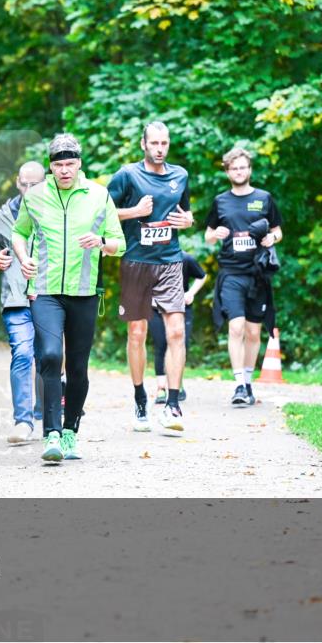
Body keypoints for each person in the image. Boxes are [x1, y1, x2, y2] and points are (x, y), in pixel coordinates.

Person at [12, 134, 125, 463]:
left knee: (77, 367)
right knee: (49, 355)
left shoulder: (99, 195)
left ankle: (71, 430)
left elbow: (120, 243)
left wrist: (101, 241)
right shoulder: (34, 197)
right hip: (45, 291)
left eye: (70, 164)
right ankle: (52, 433)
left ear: (79, 164)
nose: (64, 170)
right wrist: (23, 257)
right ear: (51, 166)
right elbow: (19, 233)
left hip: (84, 292)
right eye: (58, 165)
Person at [107, 121, 194, 434]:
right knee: (137, 334)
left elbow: (187, 213)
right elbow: (102, 211)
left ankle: (172, 403)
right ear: (143, 144)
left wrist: (188, 220)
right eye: (154, 143)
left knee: (176, 333)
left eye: (165, 143)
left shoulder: (180, 175)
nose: (160, 149)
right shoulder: (127, 175)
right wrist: (135, 212)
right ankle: (140, 397)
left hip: (170, 261)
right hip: (136, 262)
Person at [205, 147, 283, 407]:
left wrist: (272, 237)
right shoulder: (221, 201)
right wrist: (216, 234)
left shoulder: (264, 198)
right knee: (235, 326)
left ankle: (248, 383)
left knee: (252, 331)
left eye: (243, 167)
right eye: (234, 168)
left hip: (257, 272)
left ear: (249, 169)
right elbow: (208, 234)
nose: (239, 171)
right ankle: (238, 384)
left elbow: (278, 231)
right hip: (231, 272)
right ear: (227, 172)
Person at [0, 161, 47, 444]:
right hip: (16, 297)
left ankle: (48, 415)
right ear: (17, 183)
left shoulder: (58, 210)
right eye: (24, 184)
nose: (29, 189)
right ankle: (23, 421)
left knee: (50, 357)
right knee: (22, 354)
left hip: (50, 296)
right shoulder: (3, 216)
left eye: (35, 184)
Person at [148, 252, 207, 404]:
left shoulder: (185, 258)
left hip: (181, 307)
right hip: (155, 309)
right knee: (161, 344)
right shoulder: (149, 258)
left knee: (181, 344)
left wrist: (191, 293)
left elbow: (202, 275)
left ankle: (176, 383)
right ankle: (161, 388)